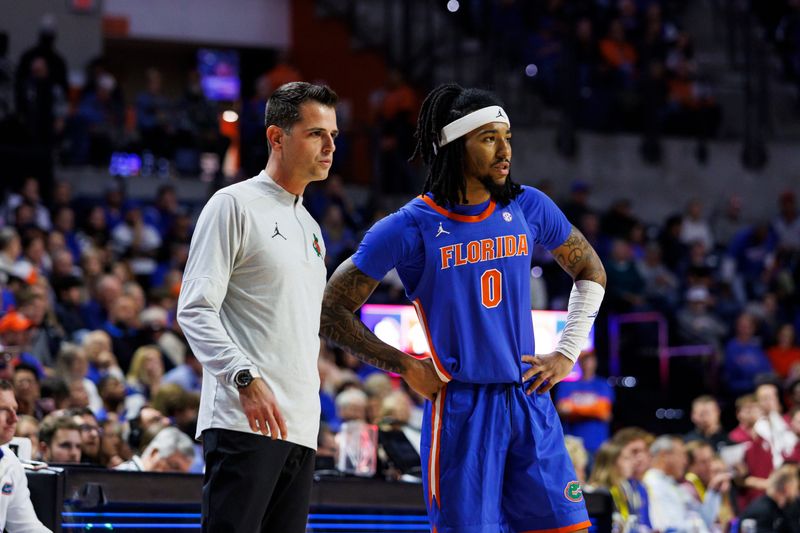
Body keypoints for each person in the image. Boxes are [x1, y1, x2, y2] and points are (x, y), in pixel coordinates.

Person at [321, 84, 606, 533]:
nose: (504, 149)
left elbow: (591, 270)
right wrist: (403, 364)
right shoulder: (407, 226)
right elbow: (330, 310)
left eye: (507, 136)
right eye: (489, 138)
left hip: (528, 397)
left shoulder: (527, 204)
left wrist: (568, 351)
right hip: (462, 406)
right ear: (454, 145)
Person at [177, 81, 338, 533]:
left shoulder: (309, 224)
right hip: (243, 421)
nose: (329, 146)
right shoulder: (233, 205)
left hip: (299, 427)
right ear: (276, 137)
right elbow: (194, 308)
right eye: (315, 134)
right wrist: (243, 377)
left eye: (333, 136)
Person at [0, 380, 50, 531]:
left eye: (14, 409)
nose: (14, 418)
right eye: (3, 410)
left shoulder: (9, 461)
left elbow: (26, 527)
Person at [739, 463, 800, 533]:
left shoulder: (784, 507)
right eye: (796, 489)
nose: (796, 494)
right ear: (787, 488)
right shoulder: (762, 511)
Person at [115, 426, 194, 473]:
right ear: (154, 453)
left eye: (183, 474)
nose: (179, 479)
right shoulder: (120, 477)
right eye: (174, 467)